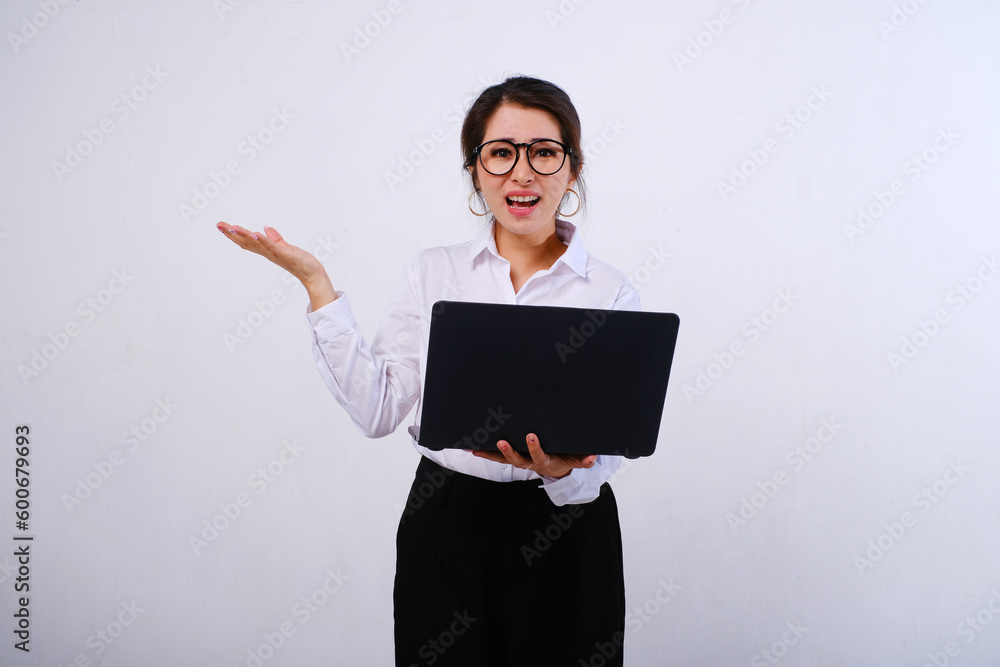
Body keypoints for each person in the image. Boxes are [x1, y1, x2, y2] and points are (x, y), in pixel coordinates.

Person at [218, 75, 640, 667]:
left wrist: (563, 473)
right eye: (501, 153)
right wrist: (317, 286)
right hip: (448, 525)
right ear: (476, 170)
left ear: (572, 170)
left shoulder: (611, 291)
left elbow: (612, 447)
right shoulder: (432, 272)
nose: (522, 174)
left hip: (569, 529)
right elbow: (377, 412)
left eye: (544, 152)